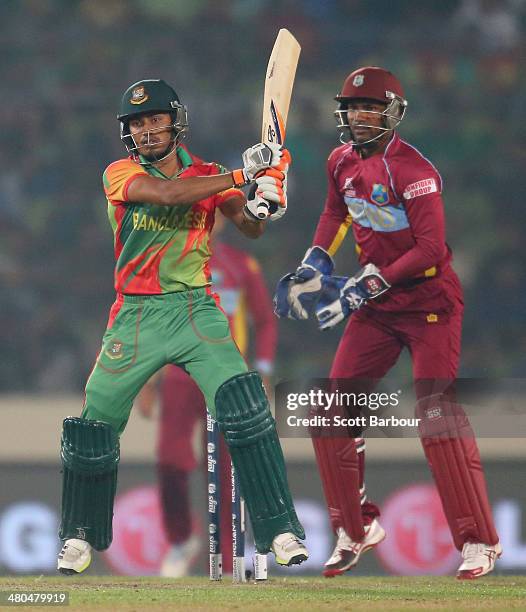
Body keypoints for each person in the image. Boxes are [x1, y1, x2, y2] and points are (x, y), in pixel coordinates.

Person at [57, 78, 308, 574]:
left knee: (246, 406)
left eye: (154, 119)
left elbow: (251, 226)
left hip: (196, 309)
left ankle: (280, 529)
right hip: (136, 313)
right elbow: (170, 194)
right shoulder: (120, 172)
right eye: (136, 123)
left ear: (175, 120)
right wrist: (242, 174)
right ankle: (79, 535)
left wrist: (265, 198)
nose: (146, 131)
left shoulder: (211, 175)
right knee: (95, 419)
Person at [275, 66, 500, 579]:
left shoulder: (414, 171)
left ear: (393, 111)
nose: (358, 116)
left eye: (370, 107)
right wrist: (315, 263)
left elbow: (432, 249)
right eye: (352, 107)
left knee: (436, 415)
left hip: (429, 304)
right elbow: (336, 215)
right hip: (377, 308)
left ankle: (479, 542)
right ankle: (356, 529)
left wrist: (368, 283)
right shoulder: (339, 161)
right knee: (330, 411)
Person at [137, 214, 277, 577]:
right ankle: (182, 539)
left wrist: (261, 370)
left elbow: (265, 321)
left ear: (221, 222)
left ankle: (230, 560)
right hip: (180, 376)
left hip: (228, 379)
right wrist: (148, 379)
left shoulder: (241, 265)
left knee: (227, 470)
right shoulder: (166, 261)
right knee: (170, 459)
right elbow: (150, 322)